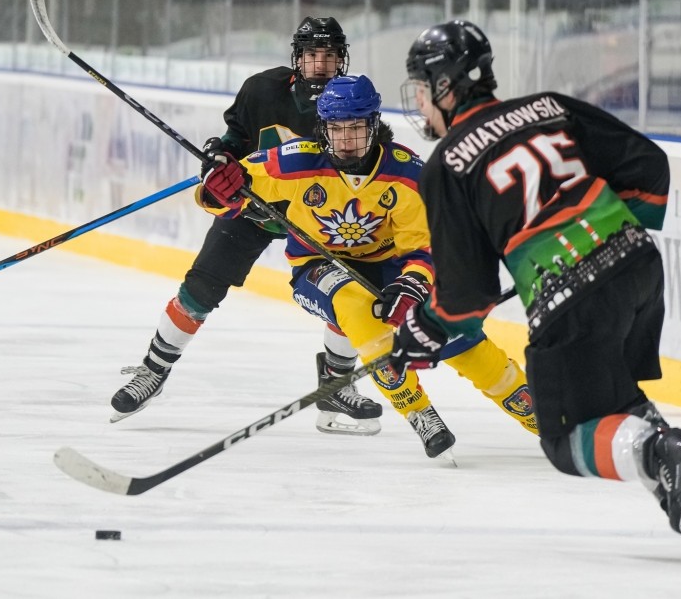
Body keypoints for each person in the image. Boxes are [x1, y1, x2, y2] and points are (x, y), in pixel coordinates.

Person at [391, 20, 681, 553]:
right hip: (640, 268)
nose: (419, 101)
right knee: (611, 395)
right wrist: (615, 228)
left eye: (421, 88)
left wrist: (425, 327)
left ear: (445, 86)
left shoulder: (447, 165)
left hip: (571, 296)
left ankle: (673, 454)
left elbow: (467, 297)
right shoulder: (548, 107)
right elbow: (649, 166)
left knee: (562, 439)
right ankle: (679, 487)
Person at [197, 74, 538, 459]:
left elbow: (423, 246)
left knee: (461, 339)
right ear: (323, 128)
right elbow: (234, 191)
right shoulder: (296, 160)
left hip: (391, 266)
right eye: (337, 129)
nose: (346, 139)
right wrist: (218, 186)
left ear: (374, 125)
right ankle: (418, 412)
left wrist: (413, 285)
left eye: (356, 128)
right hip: (317, 265)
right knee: (356, 306)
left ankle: (542, 418)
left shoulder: (407, 174)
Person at [111, 17, 383, 436]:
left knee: (351, 292)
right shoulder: (262, 90)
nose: (320, 64)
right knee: (201, 288)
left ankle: (335, 383)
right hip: (254, 211)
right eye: (312, 55)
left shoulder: (352, 104)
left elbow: (370, 163)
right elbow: (233, 141)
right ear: (298, 57)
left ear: (341, 59)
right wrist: (218, 159)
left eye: (329, 55)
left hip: (319, 220)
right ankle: (154, 370)